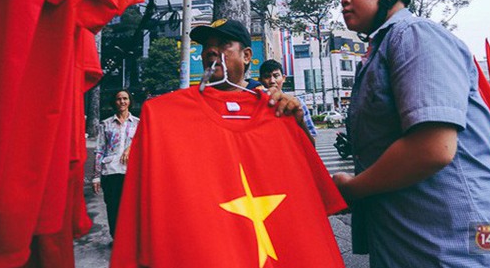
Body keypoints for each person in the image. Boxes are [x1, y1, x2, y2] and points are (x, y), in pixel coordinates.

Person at [329, 0, 490, 268]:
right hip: (413, 245)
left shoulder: (414, 35)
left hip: (458, 247)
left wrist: (353, 189)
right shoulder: (379, 51)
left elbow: (433, 148)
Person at [110, 19, 346, 267]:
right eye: (206, 46)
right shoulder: (164, 116)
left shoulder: (279, 109)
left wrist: (295, 125)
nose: (211, 51)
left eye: (223, 44)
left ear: (246, 56)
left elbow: (309, 191)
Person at [92, 90, 139, 240]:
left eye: (125, 98)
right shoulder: (105, 124)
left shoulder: (138, 123)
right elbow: (99, 150)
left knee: (132, 208)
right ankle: (117, 239)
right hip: (110, 171)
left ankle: (130, 239)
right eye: (119, 99)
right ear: (115, 102)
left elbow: (144, 144)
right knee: (113, 207)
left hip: (131, 172)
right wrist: (96, 177)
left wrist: (130, 148)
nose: (122, 102)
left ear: (130, 101)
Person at [259, 59, 318, 138]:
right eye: (267, 77)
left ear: (283, 78)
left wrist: (300, 121)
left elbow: (311, 142)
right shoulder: (256, 104)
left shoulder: (297, 103)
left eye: (276, 76)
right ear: (260, 80)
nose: (272, 81)